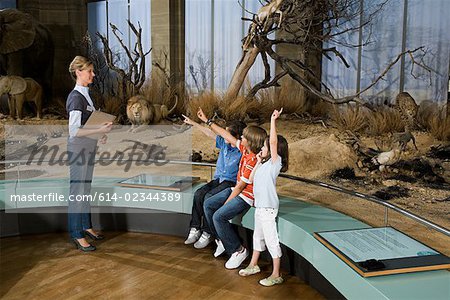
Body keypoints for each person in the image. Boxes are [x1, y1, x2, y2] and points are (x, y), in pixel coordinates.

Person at [199, 108, 267, 269]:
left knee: (218, 216)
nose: (241, 137)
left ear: (250, 142)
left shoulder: (252, 160)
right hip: (237, 191)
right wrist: (207, 121)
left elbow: (240, 188)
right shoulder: (244, 149)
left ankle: (238, 249)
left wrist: (226, 203)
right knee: (208, 203)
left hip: (246, 197)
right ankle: (222, 239)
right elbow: (225, 135)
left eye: (244, 137)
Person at [238, 108, 289, 287]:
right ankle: (253, 264)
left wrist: (273, 120)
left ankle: (276, 273)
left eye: (265, 146)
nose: (263, 148)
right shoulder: (264, 163)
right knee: (257, 237)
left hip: (268, 208)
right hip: (259, 207)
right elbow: (251, 179)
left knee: (271, 239)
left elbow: (273, 143)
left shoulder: (276, 163)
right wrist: (258, 161)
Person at [67, 56, 112, 252]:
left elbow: (88, 126)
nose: (93, 74)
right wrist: (97, 129)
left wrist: (100, 134)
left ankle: (86, 226)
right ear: (78, 72)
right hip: (78, 151)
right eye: (90, 71)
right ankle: (77, 234)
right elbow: (74, 131)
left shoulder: (86, 96)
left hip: (88, 148)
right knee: (78, 193)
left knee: (85, 191)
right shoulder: (76, 97)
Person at [183, 114, 246, 249]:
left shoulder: (241, 150)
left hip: (230, 182)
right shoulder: (224, 143)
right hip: (218, 179)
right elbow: (209, 133)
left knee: (208, 198)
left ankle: (207, 231)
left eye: (227, 133)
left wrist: (208, 121)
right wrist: (194, 122)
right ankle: (195, 228)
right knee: (199, 193)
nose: (224, 136)